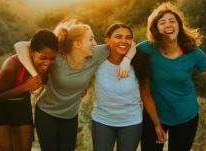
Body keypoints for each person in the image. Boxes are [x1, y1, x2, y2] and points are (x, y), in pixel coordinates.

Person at [14, 20, 135, 151]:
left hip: (70, 117)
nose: (95, 43)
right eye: (91, 39)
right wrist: (34, 75)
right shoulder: (58, 58)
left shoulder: (96, 54)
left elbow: (129, 44)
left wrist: (126, 61)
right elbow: (20, 45)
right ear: (77, 44)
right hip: (46, 113)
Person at [136, 2, 206, 151]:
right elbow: (144, 88)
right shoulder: (146, 49)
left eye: (172, 21)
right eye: (162, 22)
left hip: (186, 116)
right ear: (155, 29)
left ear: (179, 25)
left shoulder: (193, 52)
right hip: (154, 115)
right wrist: (157, 124)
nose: (168, 24)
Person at [91, 23, 166, 151]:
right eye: (118, 37)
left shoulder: (139, 63)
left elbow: (146, 95)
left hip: (131, 123)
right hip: (102, 121)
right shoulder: (98, 60)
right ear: (107, 40)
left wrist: (157, 124)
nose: (123, 41)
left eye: (128, 37)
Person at [0, 29, 58, 151]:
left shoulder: (48, 66)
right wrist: (26, 86)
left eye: (52, 58)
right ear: (31, 52)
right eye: (43, 57)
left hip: (20, 99)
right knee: (6, 148)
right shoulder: (12, 65)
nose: (47, 63)